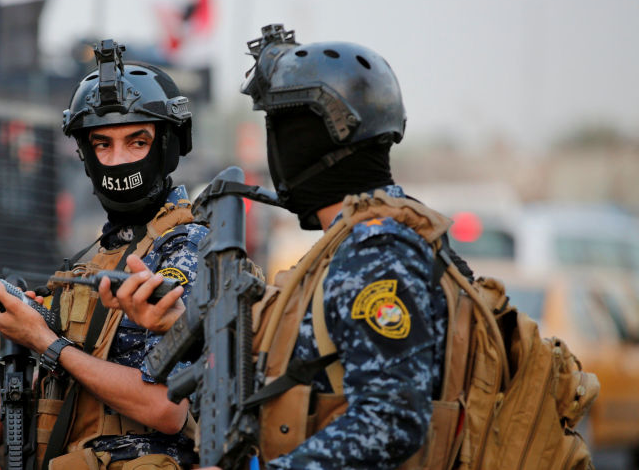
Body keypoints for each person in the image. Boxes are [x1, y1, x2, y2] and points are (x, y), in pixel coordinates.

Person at [117, 24, 453, 470]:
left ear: (310, 139)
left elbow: (391, 422)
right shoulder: (360, 242)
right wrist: (184, 326)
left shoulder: (377, 251)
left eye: (278, 129)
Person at [0, 39, 207, 470]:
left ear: (167, 145)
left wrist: (44, 341)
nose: (118, 161)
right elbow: (73, 381)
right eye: (102, 144)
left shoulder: (189, 249)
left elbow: (165, 408)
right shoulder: (100, 255)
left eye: (137, 142)